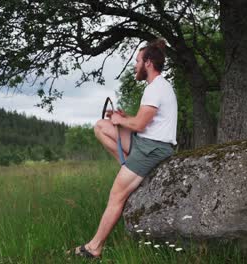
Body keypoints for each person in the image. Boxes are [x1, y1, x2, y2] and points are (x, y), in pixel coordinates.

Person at [70, 38, 178, 259]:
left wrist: (123, 121)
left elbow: (139, 125)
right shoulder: (157, 87)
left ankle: (94, 247)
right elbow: (141, 122)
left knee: (116, 195)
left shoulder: (156, 88)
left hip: (152, 148)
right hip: (146, 141)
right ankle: (128, 168)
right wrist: (122, 118)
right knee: (101, 126)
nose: (135, 66)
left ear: (148, 63)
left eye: (137, 61)